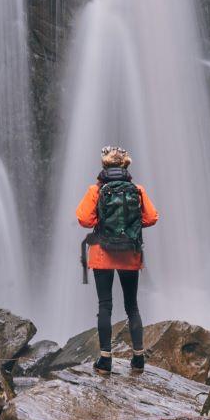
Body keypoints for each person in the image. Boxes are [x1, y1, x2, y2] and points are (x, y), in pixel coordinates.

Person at [76, 146, 158, 373]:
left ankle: (105, 360)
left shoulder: (96, 190)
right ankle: (139, 358)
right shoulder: (137, 190)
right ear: (126, 167)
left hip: (103, 254)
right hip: (130, 254)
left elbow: (83, 218)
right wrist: (130, 225)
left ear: (104, 166)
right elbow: (151, 218)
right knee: (132, 306)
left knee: (105, 305)